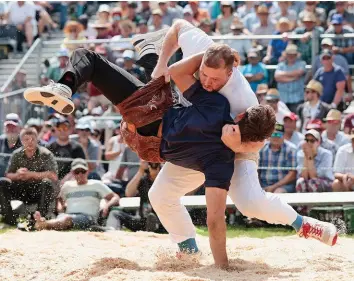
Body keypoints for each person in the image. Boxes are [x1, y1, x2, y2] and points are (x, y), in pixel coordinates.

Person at [24, 20, 338, 269]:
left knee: (248, 201)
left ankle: (303, 224)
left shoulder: (239, 110)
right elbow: (176, 36)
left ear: (232, 74)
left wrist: (222, 267)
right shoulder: (209, 79)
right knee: (160, 192)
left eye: (216, 80)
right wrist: (162, 63)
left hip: (230, 149)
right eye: (205, 75)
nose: (208, 83)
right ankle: (188, 249)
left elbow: (217, 213)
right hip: (180, 131)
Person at [33, 158, 120, 231]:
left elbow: (115, 197)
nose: (80, 174)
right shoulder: (67, 185)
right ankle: (44, 224)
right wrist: (60, 207)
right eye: (77, 172)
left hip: (88, 217)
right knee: (64, 218)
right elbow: (59, 199)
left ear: (87, 171)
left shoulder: (96, 184)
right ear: (72, 173)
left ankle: (44, 224)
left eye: (83, 171)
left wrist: (107, 206)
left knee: (66, 219)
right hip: (67, 215)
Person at [0, 128, 57, 226]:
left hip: (38, 190)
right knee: (2, 182)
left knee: (47, 183)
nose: (30, 142)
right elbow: (8, 174)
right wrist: (18, 175)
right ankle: (10, 219)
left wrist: (31, 174)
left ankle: (39, 219)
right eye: (26, 139)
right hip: (21, 188)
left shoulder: (46, 154)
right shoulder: (17, 154)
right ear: (21, 141)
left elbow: (53, 176)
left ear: (37, 140)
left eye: (33, 139)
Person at [106, 161, 161, 232]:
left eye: (156, 164)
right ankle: (110, 231)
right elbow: (128, 193)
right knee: (115, 213)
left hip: (161, 220)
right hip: (142, 219)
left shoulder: (165, 179)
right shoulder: (143, 179)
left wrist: (158, 175)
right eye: (150, 163)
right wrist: (140, 171)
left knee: (152, 217)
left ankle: (152, 228)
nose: (153, 166)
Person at [258, 123, 297, 193]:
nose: (276, 137)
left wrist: (273, 187)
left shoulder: (291, 149)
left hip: (283, 186)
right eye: (273, 134)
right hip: (263, 184)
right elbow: (257, 170)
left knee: (278, 193)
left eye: (278, 134)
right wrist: (258, 186)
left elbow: (292, 174)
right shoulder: (262, 148)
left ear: (284, 136)